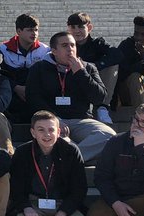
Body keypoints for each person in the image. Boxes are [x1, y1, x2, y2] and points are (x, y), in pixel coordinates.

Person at [23, 32, 114, 162]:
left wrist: (81, 73)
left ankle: (69, 159)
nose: (70, 49)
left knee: (109, 135)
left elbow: (99, 98)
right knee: (52, 137)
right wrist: (53, 118)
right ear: (54, 50)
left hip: (81, 120)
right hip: (51, 121)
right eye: (65, 45)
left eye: (72, 45)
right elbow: (33, 98)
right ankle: (71, 155)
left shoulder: (88, 67)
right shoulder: (39, 68)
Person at [0, 13, 50, 122]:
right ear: (19, 31)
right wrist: (16, 87)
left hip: (36, 90)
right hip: (12, 90)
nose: (34, 33)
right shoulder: (3, 49)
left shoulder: (45, 50)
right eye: (30, 30)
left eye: (36, 30)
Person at [66, 12, 120, 118]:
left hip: (95, 82)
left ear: (89, 27)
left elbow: (118, 55)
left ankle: (103, 107)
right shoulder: (64, 44)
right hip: (72, 81)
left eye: (81, 27)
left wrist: (96, 66)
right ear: (68, 28)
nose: (77, 31)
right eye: (73, 27)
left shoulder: (97, 43)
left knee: (113, 66)